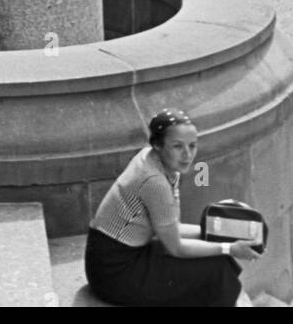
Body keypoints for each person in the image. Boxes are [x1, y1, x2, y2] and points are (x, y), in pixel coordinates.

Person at [85, 110, 257, 307]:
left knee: (219, 261)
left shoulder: (155, 160)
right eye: (177, 146)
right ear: (157, 145)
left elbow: (172, 227)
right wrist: (230, 247)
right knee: (217, 268)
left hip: (116, 255)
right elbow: (176, 247)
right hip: (114, 272)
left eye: (192, 146)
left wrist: (222, 232)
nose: (188, 155)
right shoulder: (154, 181)